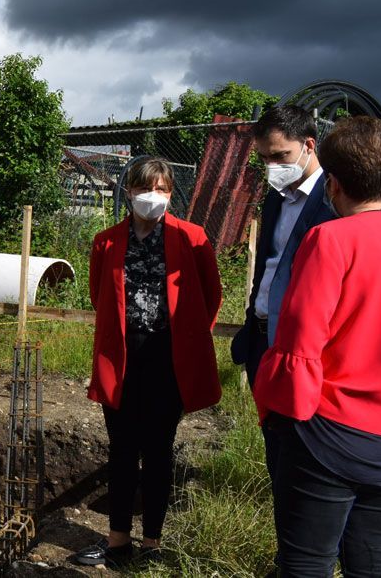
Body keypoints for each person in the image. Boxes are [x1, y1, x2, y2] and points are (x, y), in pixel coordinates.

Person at [254, 116, 381, 576]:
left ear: (333, 184)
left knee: (306, 563)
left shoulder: (330, 239)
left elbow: (299, 345)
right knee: (374, 563)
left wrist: (280, 416)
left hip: (328, 434)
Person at [72, 156, 222, 567]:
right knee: (121, 449)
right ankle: (117, 542)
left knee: (158, 450)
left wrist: (188, 335)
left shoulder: (192, 238)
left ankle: (152, 544)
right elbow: (98, 294)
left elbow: (211, 295)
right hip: (120, 356)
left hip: (169, 358)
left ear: (171, 194)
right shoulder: (106, 241)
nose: (152, 197)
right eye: (144, 189)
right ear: (129, 192)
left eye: (161, 189)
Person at [231, 105, 334, 481]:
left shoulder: (334, 200)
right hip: (263, 343)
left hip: (304, 350)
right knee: (275, 453)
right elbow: (268, 267)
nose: (272, 166)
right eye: (263, 158)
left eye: (280, 156)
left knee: (306, 459)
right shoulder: (276, 197)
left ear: (309, 145)